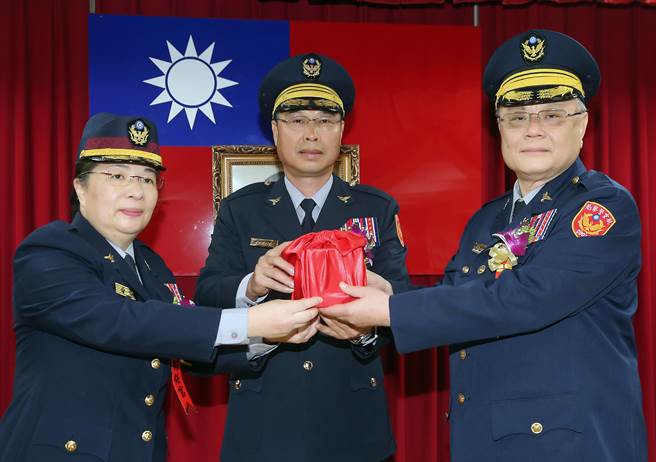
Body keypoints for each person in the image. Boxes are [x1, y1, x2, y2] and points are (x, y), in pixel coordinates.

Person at [324, 30, 647, 461]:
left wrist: (390, 310)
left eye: (552, 115)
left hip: (568, 445)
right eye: (516, 117)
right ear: (499, 129)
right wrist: (385, 298)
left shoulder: (602, 207)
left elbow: (528, 298)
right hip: (484, 441)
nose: (533, 130)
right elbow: (458, 298)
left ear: (582, 124)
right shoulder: (487, 219)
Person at [0, 113, 321, 462]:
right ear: (80, 187)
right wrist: (250, 322)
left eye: (147, 179)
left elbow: (184, 345)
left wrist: (270, 337)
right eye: (117, 176)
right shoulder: (50, 249)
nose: (136, 191)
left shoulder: (152, 266)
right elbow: (120, 321)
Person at [195, 53, 410, 462]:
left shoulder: (376, 208)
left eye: (325, 120)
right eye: (296, 120)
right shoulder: (241, 209)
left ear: (341, 131)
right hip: (264, 422)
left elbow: (404, 300)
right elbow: (207, 293)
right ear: (275, 131)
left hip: (352, 422)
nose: (311, 133)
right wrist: (251, 286)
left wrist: (365, 331)